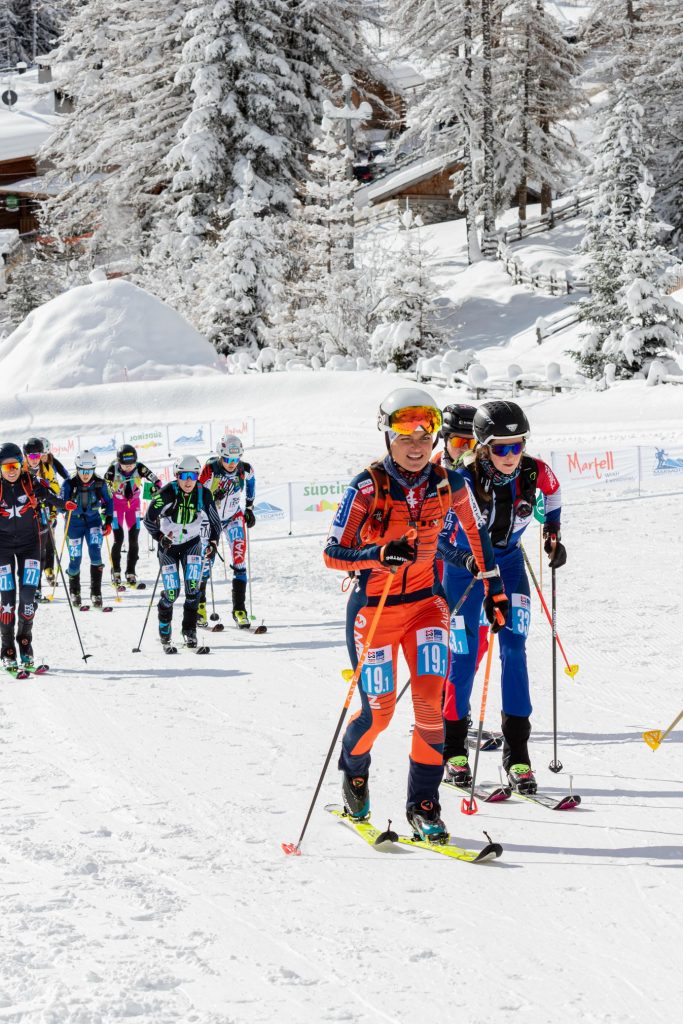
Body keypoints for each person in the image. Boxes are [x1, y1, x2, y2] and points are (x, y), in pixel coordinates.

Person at [323, 388, 508, 843]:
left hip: (427, 605)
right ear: (388, 433)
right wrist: (378, 554)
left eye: (425, 431)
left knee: (431, 710)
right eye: (405, 431)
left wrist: (495, 588)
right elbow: (333, 554)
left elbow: (476, 536)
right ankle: (355, 773)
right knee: (379, 714)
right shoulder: (366, 487)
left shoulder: (452, 484)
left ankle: (423, 806)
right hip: (376, 610)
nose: (416, 441)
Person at [438, 400, 565, 795]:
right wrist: (466, 560)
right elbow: (441, 540)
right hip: (465, 571)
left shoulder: (534, 470)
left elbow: (555, 494)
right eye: (501, 447)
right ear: (482, 446)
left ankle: (518, 757)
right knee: (464, 652)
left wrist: (553, 533)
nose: (512, 455)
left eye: (518, 445)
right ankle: (453, 750)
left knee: (514, 647)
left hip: (508, 566)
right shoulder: (459, 480)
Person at [0, 442, 76, 669]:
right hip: (2, 549)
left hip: (30, 546)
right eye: (5, 467)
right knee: (6, 601)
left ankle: (25, 644)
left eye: (14, 465)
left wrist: (65, 505)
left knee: (28, 598)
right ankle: (7, 649)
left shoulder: (32, 483)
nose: (11, 470)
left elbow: (52, 497)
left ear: (22, 465)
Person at [143, 455, 222, 650]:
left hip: (191, 543)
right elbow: (147, 519)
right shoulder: (167, 493)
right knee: (171, 592)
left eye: (193, 476)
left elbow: (215, 522)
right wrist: (160, 538)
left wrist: (213, 542)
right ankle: (164, 626)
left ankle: (189, 630)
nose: (188, 481)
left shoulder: (203, 494)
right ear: (177, 475)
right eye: (183, 475)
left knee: (193, 588)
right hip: (168, 546)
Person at [198, 434, 256, 628]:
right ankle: (200, 607)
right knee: (206, 562)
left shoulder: (244, 469)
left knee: (239, 560)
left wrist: (249, 508)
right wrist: (212, 496)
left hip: (233, 518)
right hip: (209, 520)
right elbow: (197, 491)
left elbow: (252, 482)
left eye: (235, 459)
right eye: (228, 459)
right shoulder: (210, 469)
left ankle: (239, 610)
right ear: (220, 455)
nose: (232, 463)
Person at [59, 451, 114, 608]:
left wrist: (108, 521)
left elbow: (109, 502)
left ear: (93, 469)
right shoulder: (68, 483)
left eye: (89, 471)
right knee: (75, 558)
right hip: (73, 523)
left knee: (96, 554)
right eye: (82, 470)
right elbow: (60, 504)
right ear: (77, 468)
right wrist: (65, 505)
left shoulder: (100, 483)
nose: (85, 474)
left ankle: (96, 593)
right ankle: (74, 592)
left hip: (93, 522)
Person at [103, 444, 162, 588]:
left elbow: (158, 482)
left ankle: (131, 571)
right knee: (119, 539)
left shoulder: (140, 468)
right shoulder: (113, 469)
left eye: (131, 464)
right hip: (117, 508)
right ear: (119, 462)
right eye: (125, 465)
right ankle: (116, 571)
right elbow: (102, 488)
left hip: (133, 508)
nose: (129, 467)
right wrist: (105, 507)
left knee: (134, 539)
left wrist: (154, 488)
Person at [37, 437, 69, 590]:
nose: (42, 457)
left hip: (52, 503)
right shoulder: (30, 465)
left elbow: (67, 476)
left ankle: (49, 570)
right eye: (39, 454)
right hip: (37, 504)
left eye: (44, 453)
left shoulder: (52, 463)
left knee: (50, 537)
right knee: (39, 541)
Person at [433, 404, 477, 470]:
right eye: (458, 442)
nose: (465, 449)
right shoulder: (434, 465)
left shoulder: (486, 471)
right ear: (446, 439)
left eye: (472, 443)